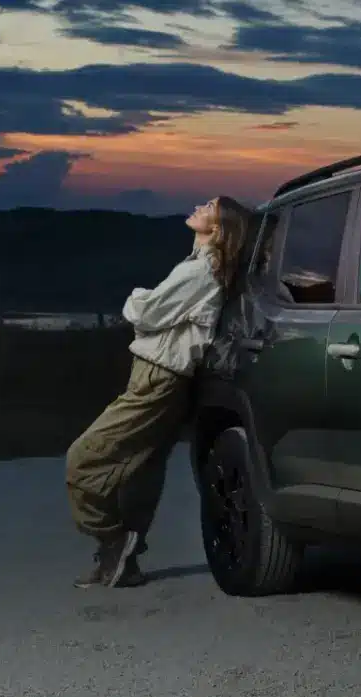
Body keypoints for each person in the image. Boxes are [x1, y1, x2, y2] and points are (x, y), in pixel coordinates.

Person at [65, 196, 254, 588]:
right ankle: (123, 565)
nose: (199, 207)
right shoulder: (200, 268)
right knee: (140, 471)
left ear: (217, 229)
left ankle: (114, 538)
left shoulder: (200, 273)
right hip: (167, 378)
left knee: (83, 461)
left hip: (158, 378)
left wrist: (136, 297)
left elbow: (145, 312)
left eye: (208, 208)